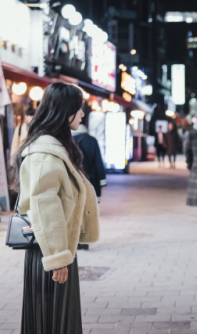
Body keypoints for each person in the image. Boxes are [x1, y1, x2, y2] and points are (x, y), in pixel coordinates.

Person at [11, 83, 100, 334]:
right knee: (53, 321)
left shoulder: (56, 147)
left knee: (59, 319)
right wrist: (57, 259)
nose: (83, 114)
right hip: (49, 251)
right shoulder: (44, 152)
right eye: (78, 108)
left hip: (57, 248)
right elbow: (44, 206)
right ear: (64, 111)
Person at [72, 123, 107, 202]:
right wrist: (102, 180)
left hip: (73, 176)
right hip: (91, 176)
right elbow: (98, 161)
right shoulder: (92, 140)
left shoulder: (67, 139)